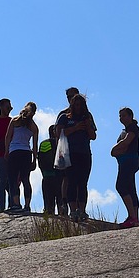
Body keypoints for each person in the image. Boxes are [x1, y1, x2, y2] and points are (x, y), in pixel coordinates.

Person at [60, 91, 97, 222]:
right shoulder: (65, 117)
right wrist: (75, 128)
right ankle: (73, 210)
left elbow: (93, 136)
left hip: (84, 153)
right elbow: (58, 133)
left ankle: (82, 210)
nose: (77, 107)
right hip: (70, 153)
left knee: (83, 183)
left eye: (80, 105)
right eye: (75, 104)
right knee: (71, 181)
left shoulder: (87, 117)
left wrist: (87, 125)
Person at [111, 107, 139, 228]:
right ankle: (135, 218)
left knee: (121, 186)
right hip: (127, 161)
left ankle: (132, 217)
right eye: (120, 115)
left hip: (130, 160)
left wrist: (114, 149)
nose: (121, 118)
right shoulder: (127, 129)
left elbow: (127, 142)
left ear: (130, 116)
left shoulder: (133, 128)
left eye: (123, 115)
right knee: (130, 188)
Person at [6, 102, 38, 212]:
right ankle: (27, 205)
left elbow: (8, 137)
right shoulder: (33, 126)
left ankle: (16, 203)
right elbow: (35, 145)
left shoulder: (14, 120)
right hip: (26, 153)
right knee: (25, 179)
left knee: (13, 178)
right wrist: (34, 159)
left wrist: (6, 151)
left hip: (14, 152)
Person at [53, 87, 81, 212]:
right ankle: (66, 204)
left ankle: (80, 208)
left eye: (74, 96)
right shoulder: (63, 114)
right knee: (67, 178)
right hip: (66, 151)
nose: (72, 99)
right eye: (69, 97)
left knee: (80, 179)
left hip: (81, 151)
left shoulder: (85, 114)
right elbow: (57, 133)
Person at [38, 125, 65, 217]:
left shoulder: (43, 143)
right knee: (61, 203)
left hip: (47, 177)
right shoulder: (62, 144)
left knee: (48, 206)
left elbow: (40, 162)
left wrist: (44, 174)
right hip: (60, 177)